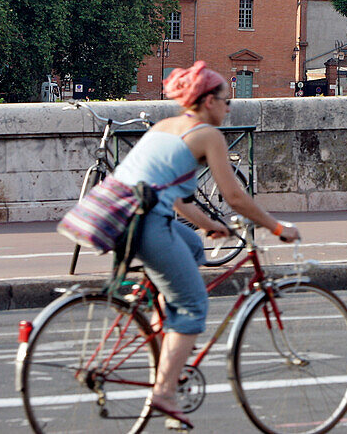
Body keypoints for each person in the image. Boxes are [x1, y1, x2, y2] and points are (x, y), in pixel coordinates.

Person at [111, 61, 301, 430]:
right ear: (208, 101)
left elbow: (176, 199)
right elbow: (235, 196)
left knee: (193, 248)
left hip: (121, 216)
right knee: (195, 304)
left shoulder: (166, 127)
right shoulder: (207, 135)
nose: (229, 108)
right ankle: (164, 391)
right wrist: (277, 227)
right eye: (226, 101)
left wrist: (209, 224)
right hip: (146, 222)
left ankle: (163, 331)